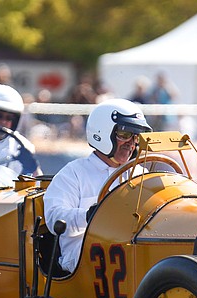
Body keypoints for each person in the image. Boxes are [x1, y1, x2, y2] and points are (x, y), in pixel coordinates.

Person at [43, 98, 152, 273]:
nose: (131, 143)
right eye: (124, 135)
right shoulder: (73, 173)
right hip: (82, 263)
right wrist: (89, 216)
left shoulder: (140, 174)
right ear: (103, 132)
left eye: (136, 136)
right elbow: (54, 218)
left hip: (131, 254)